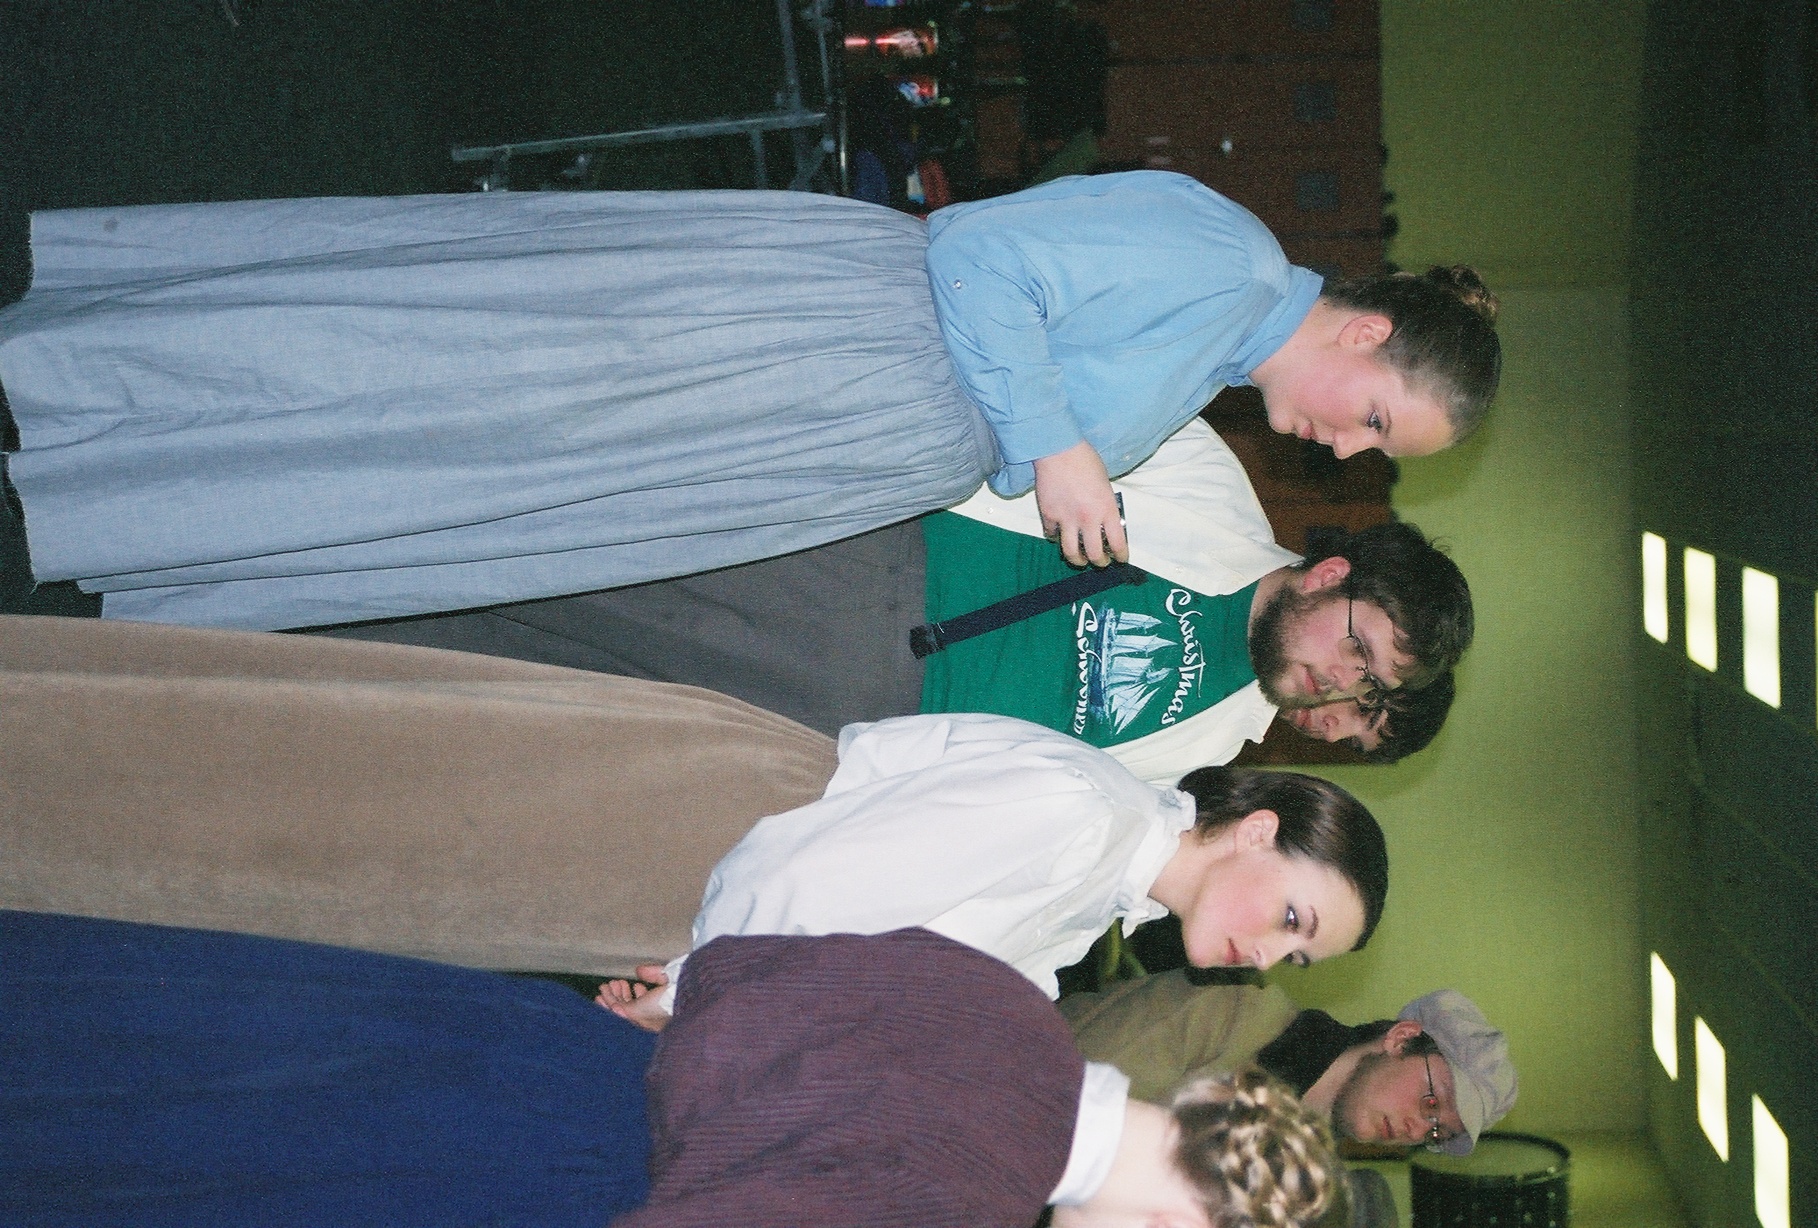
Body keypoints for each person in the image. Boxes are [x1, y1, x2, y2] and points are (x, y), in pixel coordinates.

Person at [0, 171, 1499, 628]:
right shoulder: (1225, 258)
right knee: (443, 371)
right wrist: (1053, 447)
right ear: (1366, 328)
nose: (1347, 452)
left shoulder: (1212, 363)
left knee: (468, 451)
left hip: (805, 422)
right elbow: (977, 256)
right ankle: (87, 391)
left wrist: (1050, 472)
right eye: (1376, 420)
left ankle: (125, 469)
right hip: (799, 344)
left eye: (1375, 455)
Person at [2, 913, 1344, 1228]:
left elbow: (758, 963)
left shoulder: (1018, 1010)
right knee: (169, 1159)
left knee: (187, 1031)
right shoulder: (973, 1195)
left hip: (544, 1048)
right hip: (537, 1174)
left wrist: (674, 1020)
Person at [314, 418, 1471, 781]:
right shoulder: (1208, 484)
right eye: (1357, 645)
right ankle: (321, 534)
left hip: (845, 742)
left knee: (540, 701)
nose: (1337, 678)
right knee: (569, 564)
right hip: (857, 572)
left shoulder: (1212, 741)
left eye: (1365, 685)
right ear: (1334, 572)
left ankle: (286, 648)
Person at [595, 711, 1388, 1030]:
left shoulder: (1101, 892)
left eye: (1296, 958)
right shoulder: (1085, 818)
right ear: (1257, 831)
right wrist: (686, 1000)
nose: (1268, 957)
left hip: (718, 926)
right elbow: (817, 880)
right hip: (707, 830)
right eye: (1293, 920)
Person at [1059, 973, 1518, 1154]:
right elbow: (1056, 1098)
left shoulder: (1297, 1173)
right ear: (1402, 1039)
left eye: (1437, 1133)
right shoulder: (1234, 1011)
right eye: (1431, 1102)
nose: (1418, 1130)